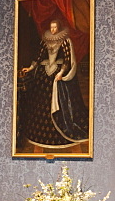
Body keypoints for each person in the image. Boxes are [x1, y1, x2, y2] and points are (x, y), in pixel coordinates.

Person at [17, 18, 88, 149]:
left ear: (59, 28)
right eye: (51, 27)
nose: (53, 30)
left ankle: (62, 128)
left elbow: (67, 60)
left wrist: (61, 73)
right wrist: (30, 68)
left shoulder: (66, 41)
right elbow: (39, 57)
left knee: (62, 103)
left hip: (58, 76)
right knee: (40, 102)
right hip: (45, 74)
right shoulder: (45, 41)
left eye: (55, 27)